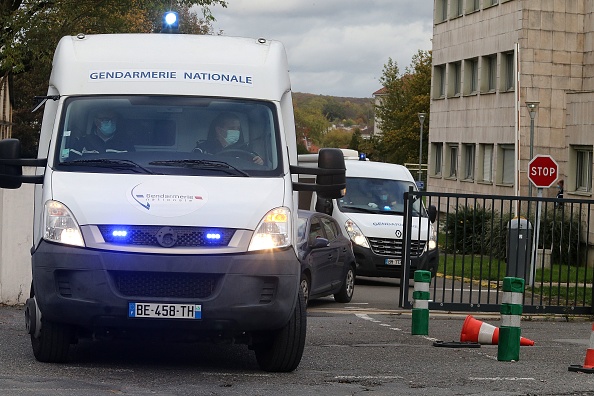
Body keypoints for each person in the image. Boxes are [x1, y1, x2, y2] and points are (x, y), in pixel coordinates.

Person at [195, 112, 264, 165]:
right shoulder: (203, 149)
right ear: (219, 130)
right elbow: (193, 166)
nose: (236, 131)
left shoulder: (245, 150)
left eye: (238, 129)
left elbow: (256, 163)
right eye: (232, 128)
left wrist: (259, 162)